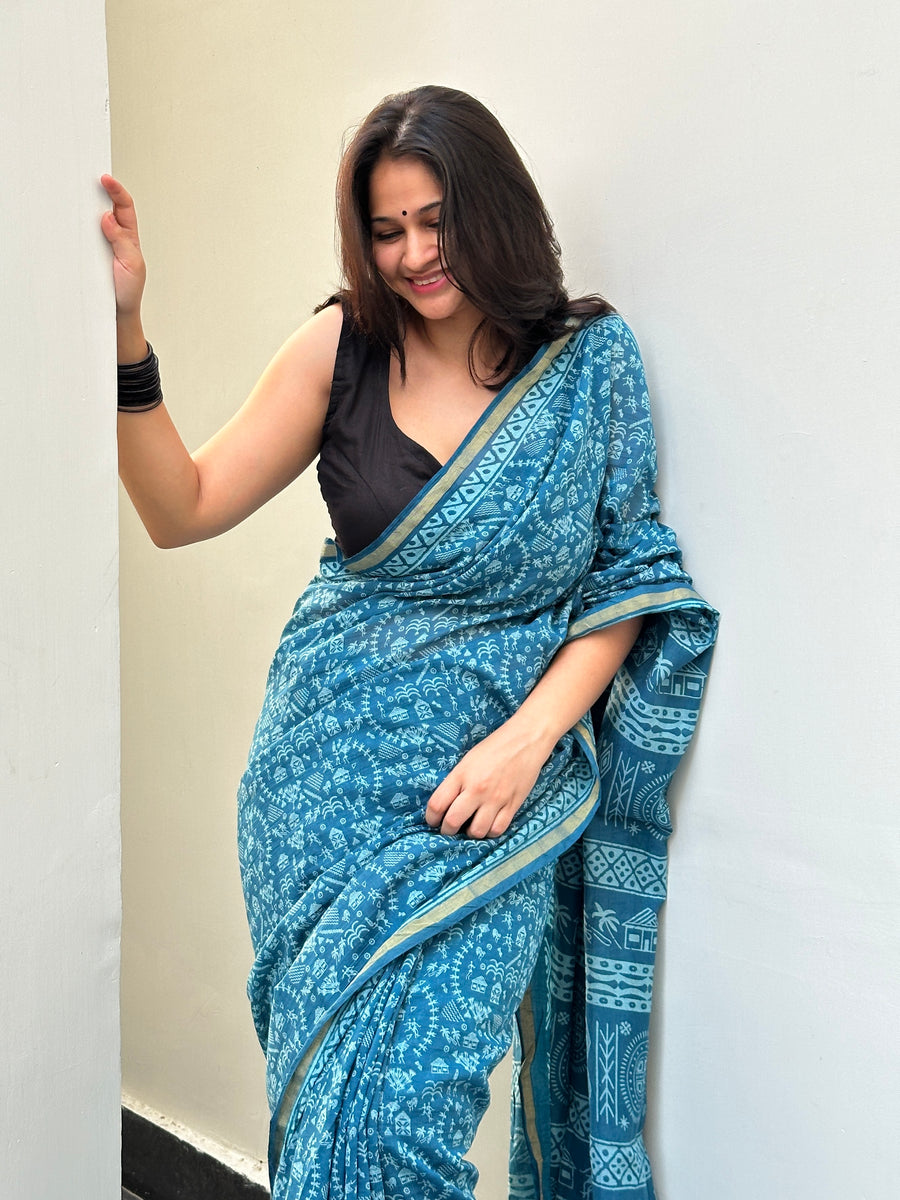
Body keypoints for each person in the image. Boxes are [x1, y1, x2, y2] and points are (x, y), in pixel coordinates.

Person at [102, 85, 717, 1200]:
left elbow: (628, 580)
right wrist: (124, 332)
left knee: (410, 1125)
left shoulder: (588, 363)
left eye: (436, 220)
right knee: (343, 1104)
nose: (415, 255)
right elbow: (179, 508)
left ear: (493, 210)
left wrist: (529, 742)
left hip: (489, 788)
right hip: (323, 786)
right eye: (387, 231)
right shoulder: (341, 348)